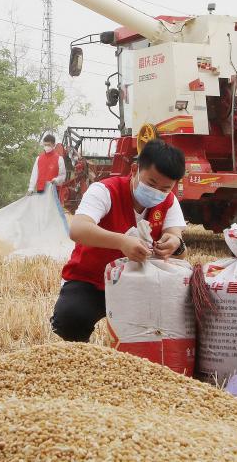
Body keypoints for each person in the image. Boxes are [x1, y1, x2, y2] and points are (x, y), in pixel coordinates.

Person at [51, 139, 188, 342]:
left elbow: (177, 242)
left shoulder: (168, 201)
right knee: (71, 319)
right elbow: (78, 229)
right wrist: (122, 242)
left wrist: (174, 244)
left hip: (140, 283)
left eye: (166, 188)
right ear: (134, 170)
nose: (158, 192)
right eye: (151, 184)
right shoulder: (104, 190)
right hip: (92, 281)